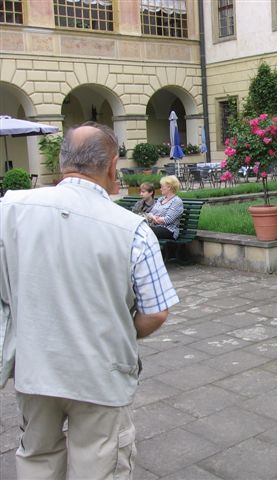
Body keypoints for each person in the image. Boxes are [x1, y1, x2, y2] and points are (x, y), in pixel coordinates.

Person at [0, 122, 179, 479]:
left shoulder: (9, 210)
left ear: (63, 160)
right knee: (99, 465)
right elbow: (156, 313)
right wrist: (118, 329)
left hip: (35, 366)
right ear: (112, 166)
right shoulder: (132, 228)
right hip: (101, 373)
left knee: (37, 458)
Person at [147, 175, 183, 240]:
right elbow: (150, 214)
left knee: (146, 231)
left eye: (162, 186)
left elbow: (168, 220)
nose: (160, 189)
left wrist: (154, 219)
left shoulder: (177, 201)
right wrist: (153, 217)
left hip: (169, 230)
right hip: (156, 227)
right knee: (142, 229)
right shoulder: (160, 199)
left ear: (169, 187)